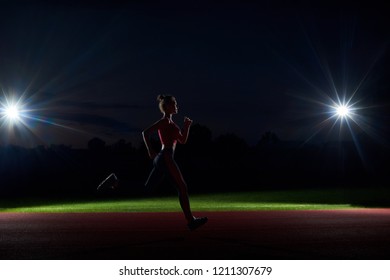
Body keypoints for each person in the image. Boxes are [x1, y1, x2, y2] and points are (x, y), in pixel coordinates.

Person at [142, 95, 208, 231]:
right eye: (174, 103)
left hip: (163, 158)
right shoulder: (164, 121)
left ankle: (116, 181)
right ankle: (191, 221)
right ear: (166, 107)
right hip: (165, 156)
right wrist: (150, 150)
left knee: (147, 189)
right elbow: (145, 133)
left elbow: (182, 140)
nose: (177, 105)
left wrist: (187, 126)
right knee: (182, 187)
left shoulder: (172, 124)